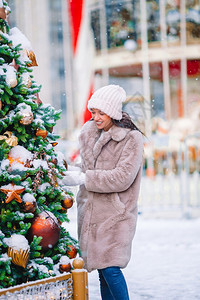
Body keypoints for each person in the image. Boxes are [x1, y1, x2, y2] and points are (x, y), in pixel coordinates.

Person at [63, 84, 144, 300]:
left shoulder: (131, 139)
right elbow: (87, 169)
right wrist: (68, 173)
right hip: (92, 214)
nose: (96, 117)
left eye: (101, 112)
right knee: (102, 270)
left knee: (110, 268)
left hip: (116, 215)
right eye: (93, 112)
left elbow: (122, 178)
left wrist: (84, 178)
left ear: (113, 113)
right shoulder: (92, 134)